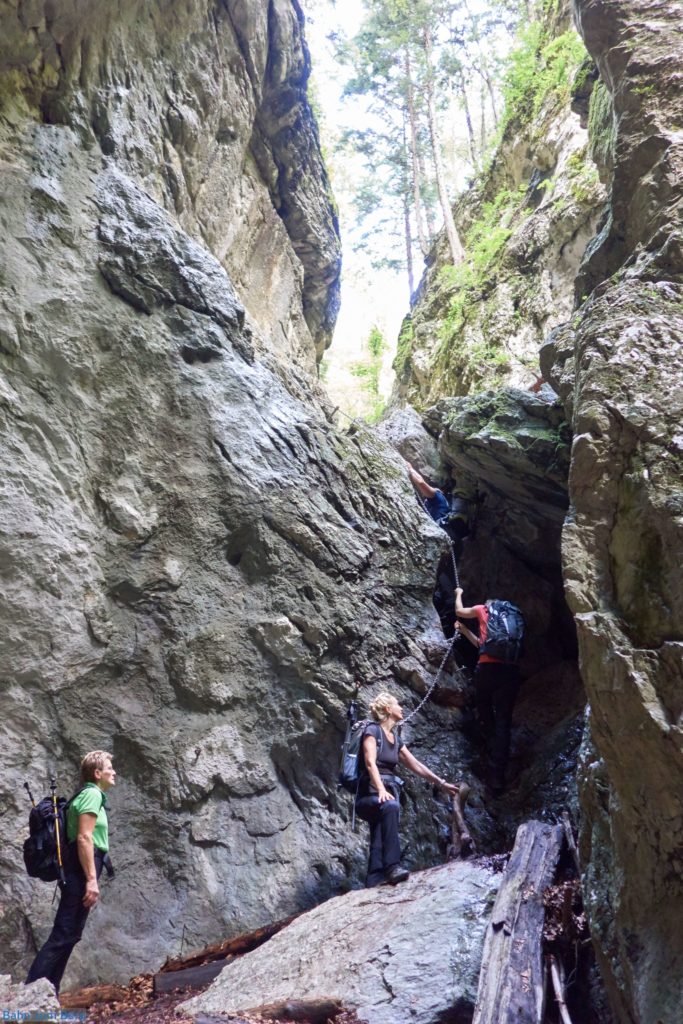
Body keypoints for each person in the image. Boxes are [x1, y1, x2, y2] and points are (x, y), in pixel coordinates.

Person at [26, 751, 116, 993]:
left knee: (70, 934)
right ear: (97, 773)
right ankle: (30, 994)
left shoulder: (87, 795)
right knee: (63, 934)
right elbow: (85, 838)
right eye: (109, 767)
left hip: (79, 868)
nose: (114, 771)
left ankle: (47, 994)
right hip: (81, 869)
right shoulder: (91, 794)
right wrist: (91, 880)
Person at [356, 692, 460, 887]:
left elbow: (416, 765)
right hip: (367, 795)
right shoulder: (372, 731)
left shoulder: (395, 738)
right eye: (398, 704)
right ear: (388, 709)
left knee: (381, 826)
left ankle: (374, 877)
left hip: (386, 794)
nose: (401, 708)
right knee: (390, 807)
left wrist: (441, 783)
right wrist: (380, 789)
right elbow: (370, 762)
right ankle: (393, 866)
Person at [454, 590, 520, 795]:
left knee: (482, 705)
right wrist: (465, 631)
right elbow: (482, 646)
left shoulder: (483, 609)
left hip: (487, 670)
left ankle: (486, 746)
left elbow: (458, 610)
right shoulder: (511, 618)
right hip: (509, 670)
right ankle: (497, 775)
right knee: (504, 720)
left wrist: (459, 593)